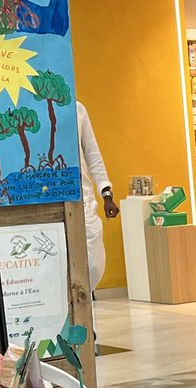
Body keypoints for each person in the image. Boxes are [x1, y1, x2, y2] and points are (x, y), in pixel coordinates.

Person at [77, 101, 119, 294]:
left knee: (94, 263)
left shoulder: (78, 109)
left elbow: (92, 153)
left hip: (83, 199)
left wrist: (106, 192)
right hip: (48, 201)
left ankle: (82, 304)